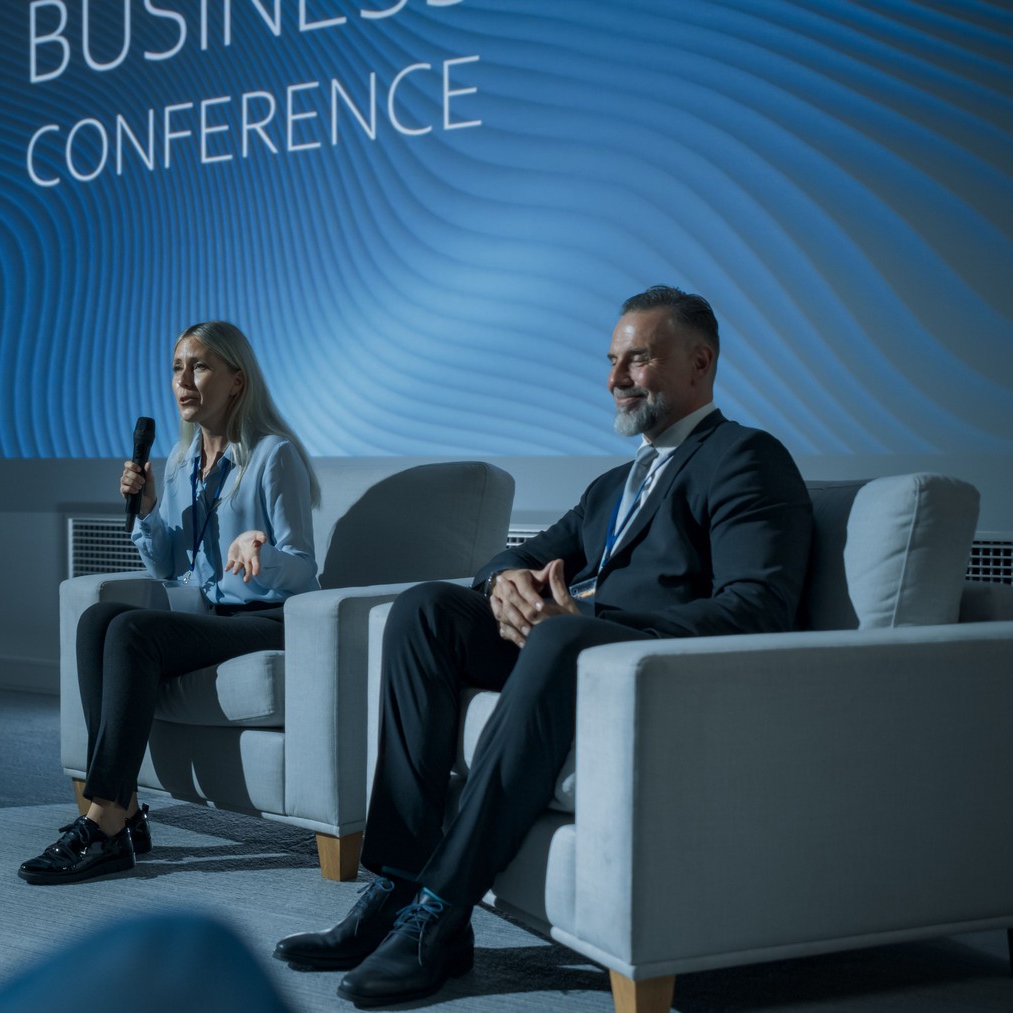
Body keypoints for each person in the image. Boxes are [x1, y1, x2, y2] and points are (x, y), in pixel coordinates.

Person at [274, 286, 813, 1006]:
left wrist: (589, 614)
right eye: (612, 360)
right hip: (571, 651)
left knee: (558, 632)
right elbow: (505, 556)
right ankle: (398, 885)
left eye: (638, 359)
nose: (616, 378)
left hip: (650, 673)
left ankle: (440, 912)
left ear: (700, 362)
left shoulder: (746, 457)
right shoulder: (613, 485)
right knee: (426, 609)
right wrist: (502, 586)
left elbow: (758, 610)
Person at [18, 320, 322, 884]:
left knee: (134, 632)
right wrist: (150, 511)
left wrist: (260, 548)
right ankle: (125, 809)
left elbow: (304, 569)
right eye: (177, 367)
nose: (184, 380)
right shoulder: (183, 464)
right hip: (214, 619)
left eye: (200, 366)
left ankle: (106, 820)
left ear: (236, 380)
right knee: (99, 620)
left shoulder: (272, 456)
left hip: (274, 620)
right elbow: (167, 567)